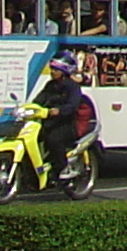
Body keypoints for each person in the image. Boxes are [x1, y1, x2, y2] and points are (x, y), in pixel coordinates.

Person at [33, 55, 95, 185]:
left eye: (56, 69)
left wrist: (59, 111)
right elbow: (39, 100)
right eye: (52, 69)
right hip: (54, 122)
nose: (52, 72)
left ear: (64, 71)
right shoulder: (50, 85)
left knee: (54, 139)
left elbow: (72, 106)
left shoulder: (72, 87)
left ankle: (64, 168)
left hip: (70, 123)